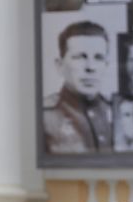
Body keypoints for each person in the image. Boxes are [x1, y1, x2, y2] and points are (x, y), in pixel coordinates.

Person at [43, 20, 114, 152]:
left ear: (106, 66)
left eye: (98, 58)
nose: (90, 67)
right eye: (80, 57)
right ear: (60, 66)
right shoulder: (43, 117)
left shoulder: (117, 111)